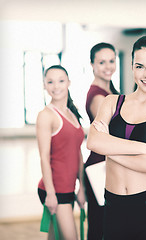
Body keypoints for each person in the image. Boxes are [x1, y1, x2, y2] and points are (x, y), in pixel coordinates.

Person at [86, 35, 146, 240]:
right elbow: (93, 142)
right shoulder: (111, 102)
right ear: (131, 67)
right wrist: (144, 148)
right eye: (140, 66)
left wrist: (110, 150)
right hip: (114, 207)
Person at [37, 65, 86, 239]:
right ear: (44, 85)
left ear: (68, 83)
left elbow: (77, 153)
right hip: (55, 190)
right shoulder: (46, 115)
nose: (56, 86)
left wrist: (82, 188)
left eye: (61, 81)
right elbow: (43, 157)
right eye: (50, 82)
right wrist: (50, 194)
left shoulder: (72, 113)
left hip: (69, 188)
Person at [84, 42, 120, 240]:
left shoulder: (109, 89)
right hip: (100, 166)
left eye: (112, 61)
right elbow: (108, 137)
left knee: (107, 225)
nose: (108, 66)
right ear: (92, 65)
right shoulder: (98, 96)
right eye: (102, 62)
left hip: (108, 164)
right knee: (100, 227)